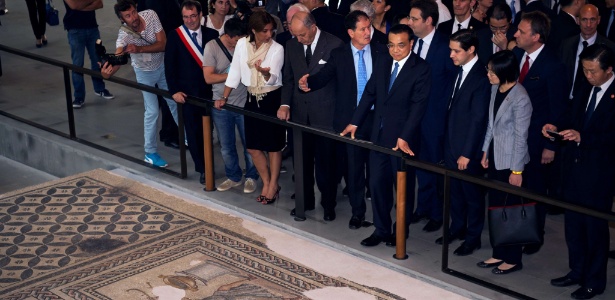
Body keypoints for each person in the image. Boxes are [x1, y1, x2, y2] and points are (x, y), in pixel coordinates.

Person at [340, 24, 431, 247]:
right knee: (378, 185)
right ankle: (381, 229)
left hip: (402, 140)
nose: (395, 50)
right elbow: (370, 92)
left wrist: (405, 136)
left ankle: (400, 230)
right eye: (391, 45)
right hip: (378, 137)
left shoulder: (421, 68)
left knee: (402, 189)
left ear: (411, 44)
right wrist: (355, 121)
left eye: (401, 45)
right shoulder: (383, 61)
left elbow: (418, 107)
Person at [298, 10, 388, 229]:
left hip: (377, 120)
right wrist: (307, 83)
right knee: (354, 170)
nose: (369, 32)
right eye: (363, 29)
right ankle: (358, 214)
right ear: (350, 32)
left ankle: (381, 217)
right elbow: (323, 76)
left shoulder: (381, 50)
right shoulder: (339, 54)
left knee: (377, 173)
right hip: (349, 122)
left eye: (369, 27)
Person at [544, 43, 615, 300]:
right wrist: (557, 125)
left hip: (599, 173)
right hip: (574, 168)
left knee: (594, 228)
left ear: (609, 70)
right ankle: (577, 271)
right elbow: (573, 116)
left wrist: (582, 137)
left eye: (593, 71)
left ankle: (594, 282)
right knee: (573, 225)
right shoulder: (586, 87)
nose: (587, 76)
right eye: (584, 70)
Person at [277, 11, 344, 220]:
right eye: (295, 35)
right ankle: (304, 202)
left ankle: (328, 204)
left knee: (326, 165)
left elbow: (341, 83)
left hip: (325, 115)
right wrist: (285, 104)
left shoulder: (335, 44)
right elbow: (288, 78)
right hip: (299, 114)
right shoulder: (292, 45)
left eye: (302, 35)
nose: (299, 39)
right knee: (301, 163)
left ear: (313, 27)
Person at [512, 11, 568, 255]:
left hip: (537, 140)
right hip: (514, 136)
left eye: (521, 32)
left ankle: (534, 235)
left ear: (536, 36)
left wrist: (551, 146)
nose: (516, 34)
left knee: (535, 188)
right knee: (515, 186)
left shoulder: (553, 66)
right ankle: (514, 229)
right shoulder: (516, 56)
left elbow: (559, 109)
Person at [101, 0, 178, 168]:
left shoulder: (150, 15)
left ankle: (188, 137)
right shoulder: (124, 35)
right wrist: (106, 72)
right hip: (144, 74)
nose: (133, 17)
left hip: (162, 67)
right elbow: (118, 58)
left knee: (174, 101)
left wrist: (139, 49)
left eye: (134, 12)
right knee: (151, 111)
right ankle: (150, 153)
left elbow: (163, 44)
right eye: (128, 16)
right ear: (122, 20)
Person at [222, 10, 285, 204]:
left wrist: (264, 73)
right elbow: (235, 71)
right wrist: (224, 97)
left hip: (272, 98)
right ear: (254, 31)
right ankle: (265, 181)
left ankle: (272, 184)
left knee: (274, 147)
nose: (269, 35)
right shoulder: (242, 44)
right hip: (252, 98)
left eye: (271, 31)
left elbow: (274, 76)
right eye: (265, 31)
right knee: (253, 147)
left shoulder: (277, 48)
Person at [478, 50, 532, 275]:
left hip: (511, 162)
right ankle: (498, 252)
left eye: (492, 71)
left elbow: (521, 136)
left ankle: (513, 258)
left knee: (510, 211)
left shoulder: (520, 97)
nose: (488, 74)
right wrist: (484, 150)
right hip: (495, 158)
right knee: (496, 207)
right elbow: (491, 124)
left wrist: (517, 170)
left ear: (505, 72)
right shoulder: (495, 89)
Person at [438, 29, 491, 257]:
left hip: (466, 150)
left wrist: (467, 153)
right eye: (450, 49)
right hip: (451, 144)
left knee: (472, 196)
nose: (451, 54)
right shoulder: (458, 71)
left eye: (456, 50)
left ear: (471, 50)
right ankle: (457, 228)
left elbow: (479, 120)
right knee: (455, 193)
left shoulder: (481, 76)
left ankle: (473, 238)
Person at [407, 0, 457, 233]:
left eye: (414, 19)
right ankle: (423, 208)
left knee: (435, 167)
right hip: (412, 117)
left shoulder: (446, 47)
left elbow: (451, 84)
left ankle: (438, 214)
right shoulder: (411, 43)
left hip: (435, 119)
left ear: (428, 20)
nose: (410, 22)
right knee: (418, 165)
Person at [164, 0, 219, 183]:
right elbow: (169, 67)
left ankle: (210, 163)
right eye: (185, 17)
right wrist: (174, 91)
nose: (189, 20)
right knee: (194, 134)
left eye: (193, 16)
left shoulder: (212, 34)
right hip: (187, 95)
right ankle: (203, 169)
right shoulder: (175, 36)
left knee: (208, 131)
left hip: (210, 94)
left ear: (200, 15)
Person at [204, 18, 259, 193]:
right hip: (221, 104)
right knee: (226, 146)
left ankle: (251, 176)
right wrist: (235, 74)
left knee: (250, 144)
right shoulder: (211, 47)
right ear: (228, 36)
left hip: (244, 103)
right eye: (237, 40)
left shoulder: (246, 45)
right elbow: (209, 78)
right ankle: (234, 176)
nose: (240, 43)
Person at [137, 0, 183, 151]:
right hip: (161, 48)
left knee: (170, 92)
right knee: (166, 93)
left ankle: (175, 132)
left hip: (174, 42)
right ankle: (170, 134)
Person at [63, 0, 114, 109]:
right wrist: (89, 2)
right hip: (74, 30)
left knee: (97, 59)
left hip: (92, 28)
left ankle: (99, 88)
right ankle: (79, 96)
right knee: (77, 64)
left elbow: (99, 3)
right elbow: (74, 5)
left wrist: (80, 6)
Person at [559, 4, 615, 101]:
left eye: (592, 19)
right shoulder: (566, 44)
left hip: (591, 103)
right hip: (565, 102)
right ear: (577, 20)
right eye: (584, 19)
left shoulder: (610, 47)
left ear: (598, 20)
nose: (588, 25)